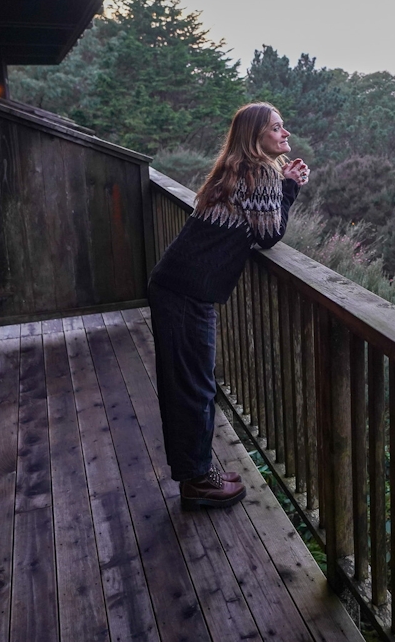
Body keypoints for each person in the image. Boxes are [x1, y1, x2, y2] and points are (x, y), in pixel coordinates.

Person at [148, 103, 309, 508]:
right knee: (193, 389)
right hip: (186, 294)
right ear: (256, 137)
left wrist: (284, 184)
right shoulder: (258, 173)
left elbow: (253, 226)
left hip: (180, 288)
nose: (285, 134)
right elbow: (269, 233)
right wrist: (291, 188)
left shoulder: (237, 168)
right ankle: (199, 482)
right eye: (277, 128)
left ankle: (199, 472)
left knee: (190, 386)